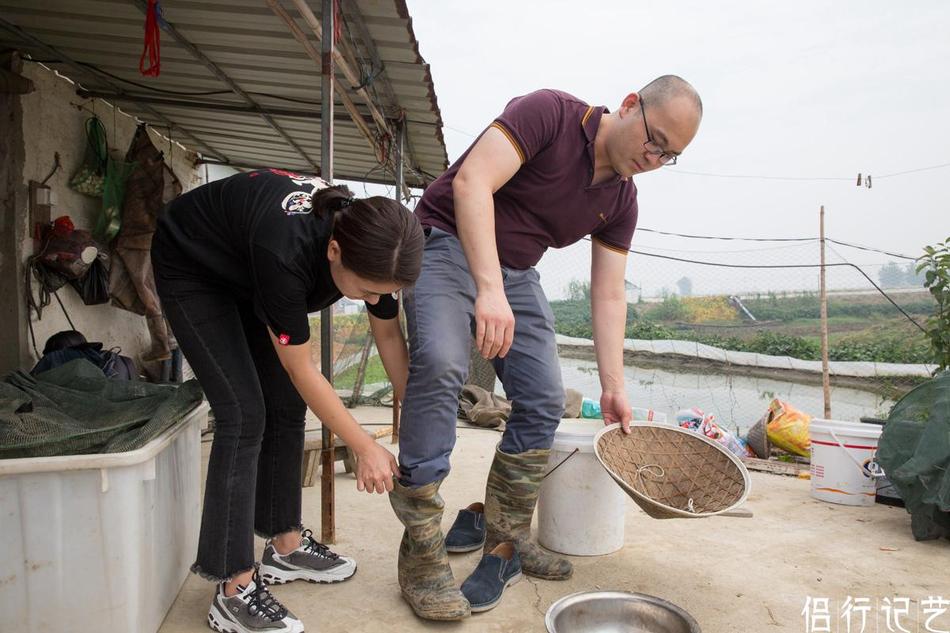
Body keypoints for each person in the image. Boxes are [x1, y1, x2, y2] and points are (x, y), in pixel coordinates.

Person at [388, 76, 703, 619]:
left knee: (542, 399)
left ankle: (506, 535)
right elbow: (471, 184)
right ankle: (420, 549)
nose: (654, 159)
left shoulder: (621, 199)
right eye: (655, 141)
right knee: (441, 364)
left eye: (669, 156)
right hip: (443, 242)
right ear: (629, 105)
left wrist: (613, 385)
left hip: (516, 272)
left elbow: (608, 292)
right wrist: (488, 288)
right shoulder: (549, 115)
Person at [151, 168, 424, 633]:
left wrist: (417, 418)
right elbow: (303, 369)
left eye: (386, 293)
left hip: (247, 270)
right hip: (194, 263)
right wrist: (364, 445)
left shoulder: (378, 249)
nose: (374, 300)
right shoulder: (287, 251)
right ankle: (232, 587)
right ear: (334, 251)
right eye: (366, 291)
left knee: (284, 405)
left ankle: (285, 546)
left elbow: (390, 339)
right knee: (243, 413)